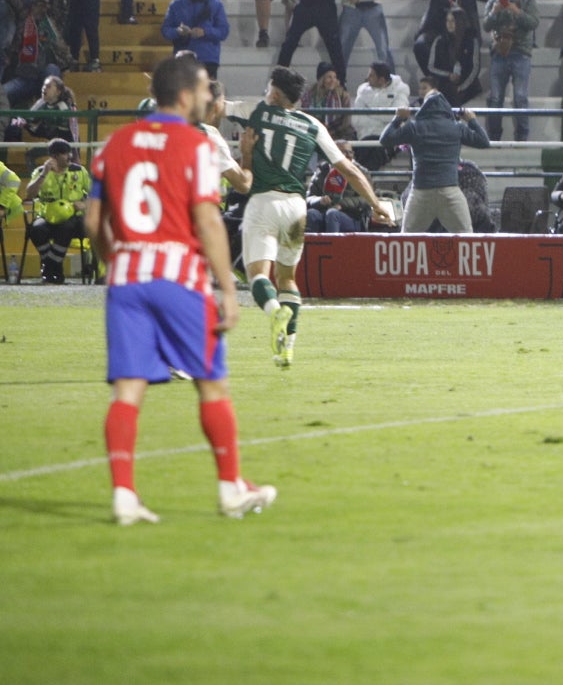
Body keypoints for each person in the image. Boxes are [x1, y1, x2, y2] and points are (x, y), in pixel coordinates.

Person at [86, 57, 277, 526]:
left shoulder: (115, 144)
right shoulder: (195, 146)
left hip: (127, 279)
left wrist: (117, 261)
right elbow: (209, 221)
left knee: (128, 390)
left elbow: (94, 222)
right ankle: (231, 487)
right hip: (178, 277)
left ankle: (125, 496)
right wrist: (228, 290)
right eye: (205, 91)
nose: (211, 99)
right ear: (186, 95)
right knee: (212, 383)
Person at [241, 66, 390, 367]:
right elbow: (348, 169)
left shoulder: (257, 113)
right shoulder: (312, 125)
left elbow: (215, 107)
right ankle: (287, 349)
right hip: (296, 208)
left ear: (274, 93)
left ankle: (275, 313)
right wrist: (375, 203)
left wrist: (245, 152)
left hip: (264, 202)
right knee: (288, 279)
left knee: (258, 274)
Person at [380, 77, 490, 232]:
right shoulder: (457, 128)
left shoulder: (414, 127)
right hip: (450, 191)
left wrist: (398, 118)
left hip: (420, 191)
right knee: (467, 238)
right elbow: (484, 142)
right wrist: (471, 120)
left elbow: (385, 139)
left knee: (407, 239)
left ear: (424, 107)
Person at [483, 0, 539, 142]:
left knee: (520, 97)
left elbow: (533, 23)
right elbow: (486, 26)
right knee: (495, 97)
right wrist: (495, 12)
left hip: (520, 51)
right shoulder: (494, 1)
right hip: (500, 52)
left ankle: (522, 137)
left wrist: (517, 12)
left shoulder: (527, 0)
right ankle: (493, 137)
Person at [24, 137, 89, 284]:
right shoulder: (40, 172)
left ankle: (48, 269)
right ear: (54, 156)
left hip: (74, 217)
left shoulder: (79, 171)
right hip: (47, 216)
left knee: (66, 227)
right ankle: (55, 268)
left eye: (70, 153)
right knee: (35, 229)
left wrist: (85, 204)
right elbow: (30, 194)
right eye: (65, 153)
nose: (70, 156)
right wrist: (44, 174)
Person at [162, 0, 230, 76]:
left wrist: (205, 32)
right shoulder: (175, 5)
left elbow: (223, 31)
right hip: (184, 59)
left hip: (207, 59)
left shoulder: (215, 4)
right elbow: (165, 30)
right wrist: (178, 32)